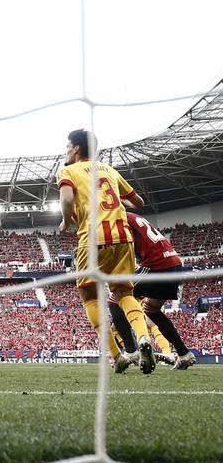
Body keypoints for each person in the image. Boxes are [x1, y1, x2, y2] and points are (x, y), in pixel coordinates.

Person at [57, 129, 153, 375]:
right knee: (124, 292)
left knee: (89, 296)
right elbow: (139, 202)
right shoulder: (109, 170)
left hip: (92, 239)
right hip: (123, 237)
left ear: (76, 148)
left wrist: (66, 221)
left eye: (68, 147)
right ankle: (143, 337)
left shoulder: (69, 171)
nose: (66, 151)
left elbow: (67, 199)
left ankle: (116, 355)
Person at [126, 211, 194, 370]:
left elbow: (126, 252)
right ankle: (184, 354)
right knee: (151, 310)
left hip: (157, 266)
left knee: (117, 295)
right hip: (174, 262)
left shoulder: (119, 220)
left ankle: (131, 351)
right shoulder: (134, 216)